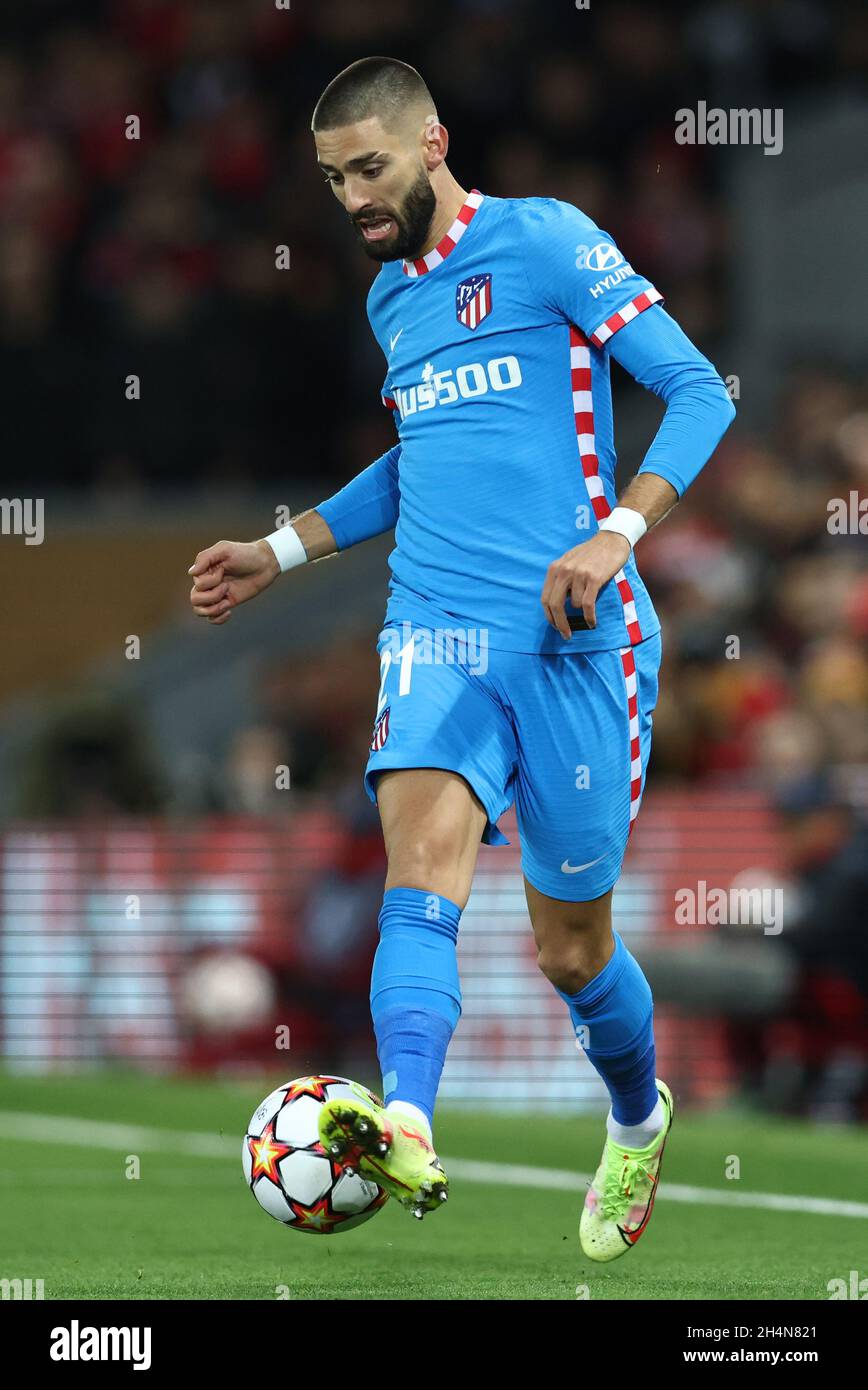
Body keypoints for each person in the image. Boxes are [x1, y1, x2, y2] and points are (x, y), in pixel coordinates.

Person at [189, 57, 735, 1261]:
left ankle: (638, 1115)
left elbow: (697, 392)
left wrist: (616, 531)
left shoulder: (547, 244)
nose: (352, 201)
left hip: (576, 639)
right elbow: (417, 459)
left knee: (570, 948)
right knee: (417, 875)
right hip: (432, 627)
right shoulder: (391, 302)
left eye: (369, 170)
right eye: (334, 180)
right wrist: (281, 548)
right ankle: (408, 1118)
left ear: (431, 143)